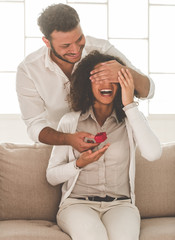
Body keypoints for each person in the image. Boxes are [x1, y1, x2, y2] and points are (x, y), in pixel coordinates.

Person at [46, 51, 161, 240]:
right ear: (86, 84)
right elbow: (51, 176)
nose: (106, 84)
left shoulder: (131, 121)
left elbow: (153, 153)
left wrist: (129, 103)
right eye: (98, 78)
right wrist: (79, 164)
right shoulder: (70, 122)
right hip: (77, 205)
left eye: (112, 78)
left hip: (121, 205)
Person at [16, 3, 155, 152]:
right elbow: (34, 125)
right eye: (66, 45)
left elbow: (149, 91)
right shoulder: (29, 70)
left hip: (109, 143)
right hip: (58, 148)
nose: (76, 50)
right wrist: (67, 139)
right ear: (47, 42)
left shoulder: (101, 49)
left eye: (79, 39)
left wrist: (125, 72)